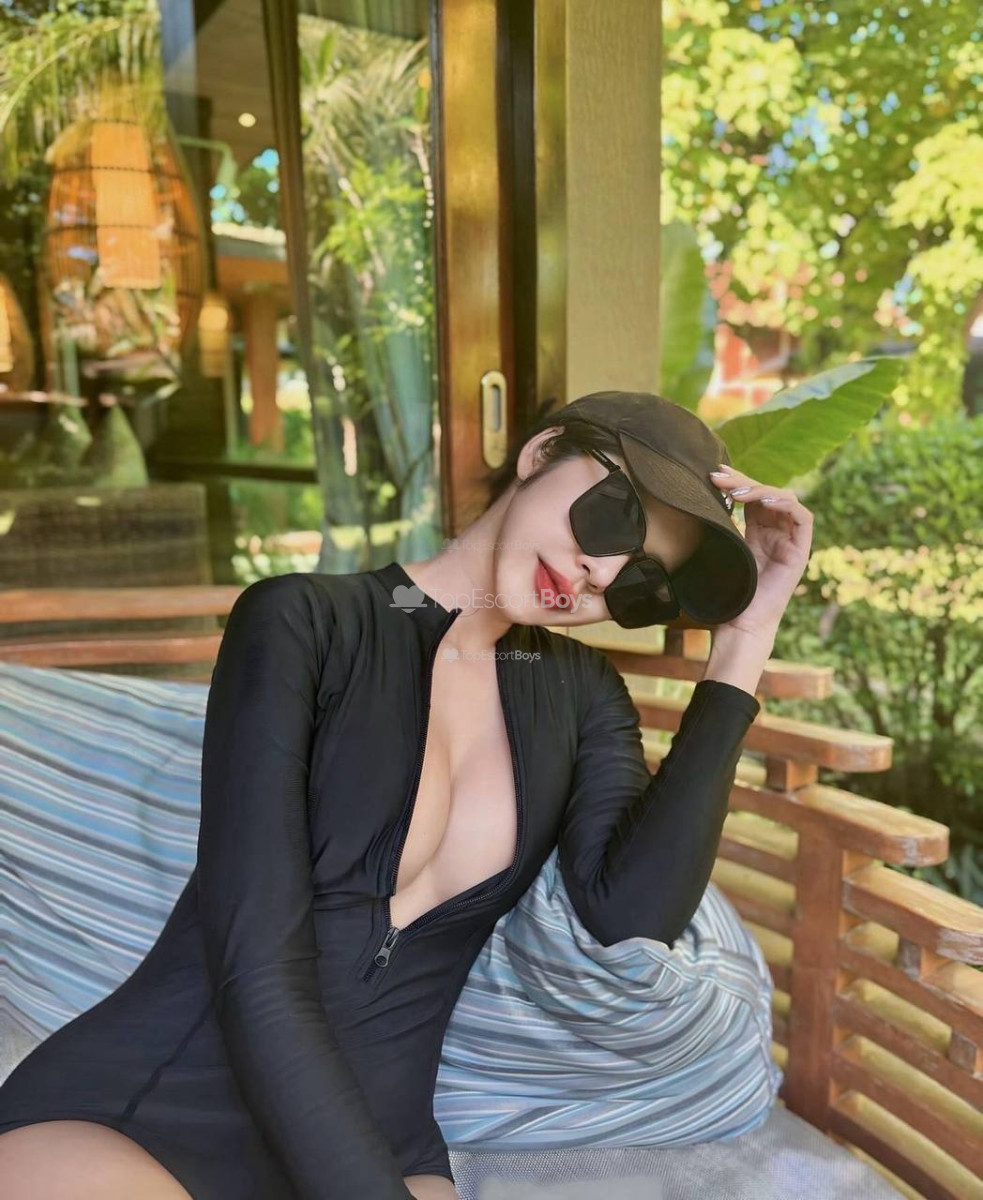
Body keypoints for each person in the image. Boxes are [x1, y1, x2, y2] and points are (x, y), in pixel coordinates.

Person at [0, 391, 812, 1200]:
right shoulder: (303, 624)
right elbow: (256, 969)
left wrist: (743, 643)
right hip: (148, 1116)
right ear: (542, 454)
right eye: (615, 519)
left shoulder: (579, 695)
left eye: (640, 580)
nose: (600, 572)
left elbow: (630, 915)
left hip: (387, 1144)